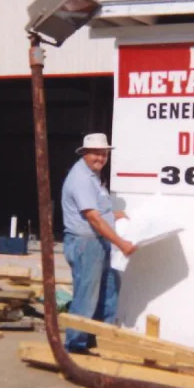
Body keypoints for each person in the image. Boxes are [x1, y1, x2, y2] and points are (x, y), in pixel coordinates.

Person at [61, 132, 136, 353]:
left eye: (104, 154)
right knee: (87, 296)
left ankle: (100, 338)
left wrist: (116, 214)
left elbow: (100, 208)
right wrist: (122, 244)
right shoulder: (82, 179)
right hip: (87, 244)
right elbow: (93, 218)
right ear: (84, 153)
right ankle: (75, 344)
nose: (101, 158)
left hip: (99, 242)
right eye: (96, 154)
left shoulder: (92, 175)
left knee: (109, 291)